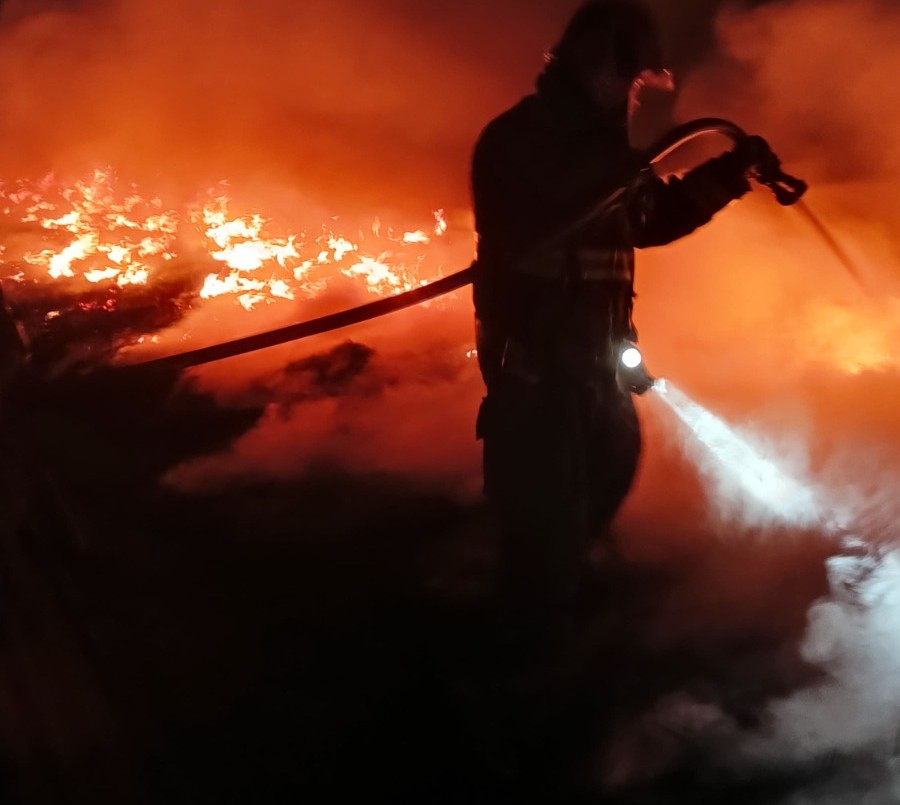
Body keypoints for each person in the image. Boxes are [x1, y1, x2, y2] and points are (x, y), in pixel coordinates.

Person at [472, 0, 780, 663]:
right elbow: (558, 213)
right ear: (595, 65)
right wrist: (617, 163)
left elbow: (647, 219)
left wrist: (729, 176)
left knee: (611, 467)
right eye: (632, 80)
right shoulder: (518, 142)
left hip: (595, 365)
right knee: (545, 522)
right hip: (537, 374)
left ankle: (549, 591)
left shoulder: (606, 154)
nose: (637, 95)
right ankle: (521, 672)